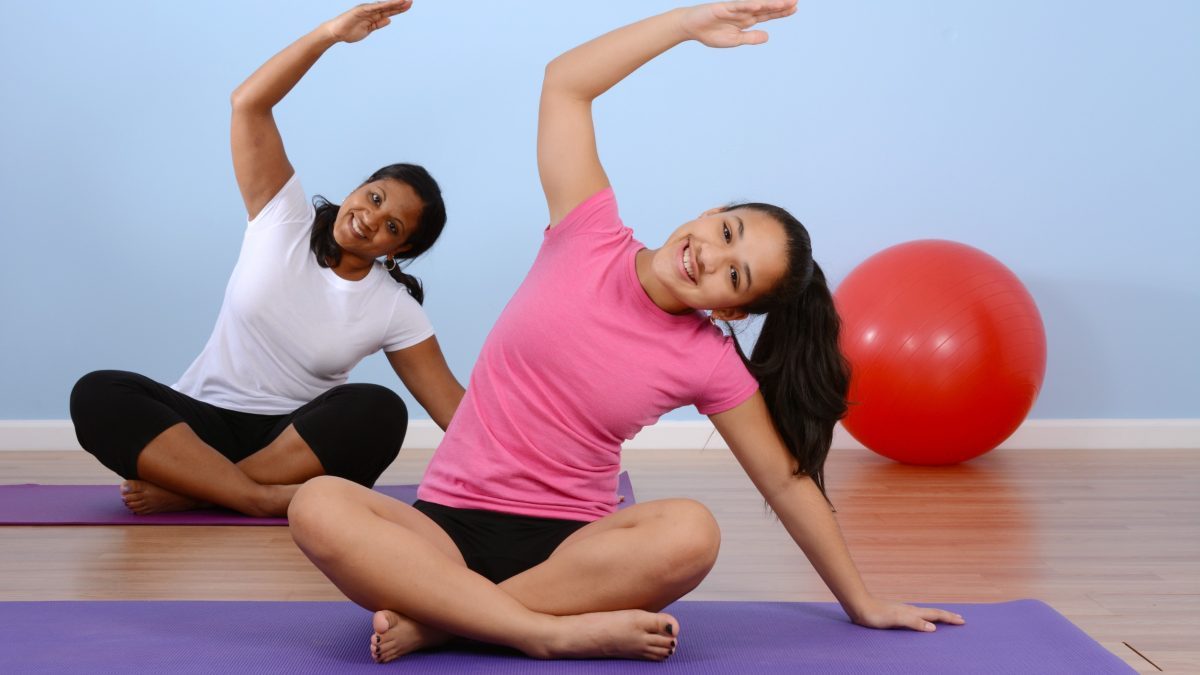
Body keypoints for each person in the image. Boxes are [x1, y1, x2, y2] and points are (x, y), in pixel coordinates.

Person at [288, 0, 965, 663]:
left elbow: (787, 484)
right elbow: (566, 83)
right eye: (726, 232)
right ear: (710, 211)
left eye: (735, 277)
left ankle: (444, 620)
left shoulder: (710, 359)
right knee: (318, 504)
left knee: (691, 531)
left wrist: (862, 600)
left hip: (575, 554)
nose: (711, 256)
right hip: (442, 524)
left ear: (732, 311)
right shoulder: (587, 230)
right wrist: (685, 23)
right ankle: (540, 632)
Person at [69, 1, 464, 518]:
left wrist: (553, 473)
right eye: (374, 198)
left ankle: (197, 490)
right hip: (198, 426)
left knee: (380, 410)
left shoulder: (393, 308)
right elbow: (248, 104)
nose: (371, 219)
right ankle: (251, 497)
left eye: (392, 226)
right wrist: (330, 34)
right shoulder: (284, 218)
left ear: (401, 249)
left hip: (293, 443)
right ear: (358, 188)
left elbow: (456, 413)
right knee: (97, 393)